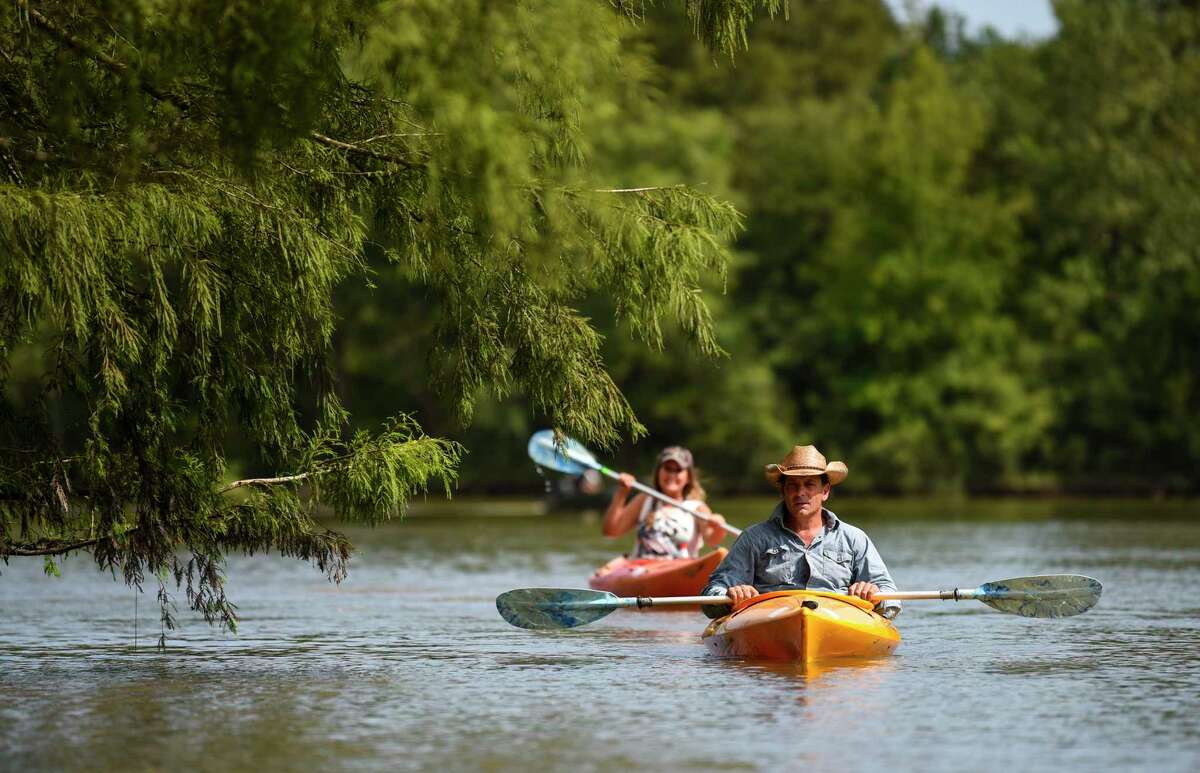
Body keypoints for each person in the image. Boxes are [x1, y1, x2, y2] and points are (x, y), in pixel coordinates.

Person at [701, 444, 900, 619]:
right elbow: (712, 593)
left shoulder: (854, 538)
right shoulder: (754, 538)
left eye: (809, 484)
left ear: (825, 491)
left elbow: (891, 597)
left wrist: (873, 593)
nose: (800, 493)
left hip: (840, 620)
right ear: (783, 491)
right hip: (769, 623)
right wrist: (731, 595)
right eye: (793, 486)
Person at [602, 446, 727, 559]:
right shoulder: (644, 500)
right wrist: (622, 493)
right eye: (667, 468)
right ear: (658, 472)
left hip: (679, 571)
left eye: (678, 470)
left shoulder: (697, 508)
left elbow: (712, 541)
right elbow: (611, 531)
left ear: (688, 477)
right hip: (642, 569)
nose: (672, 474)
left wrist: (719, 526)